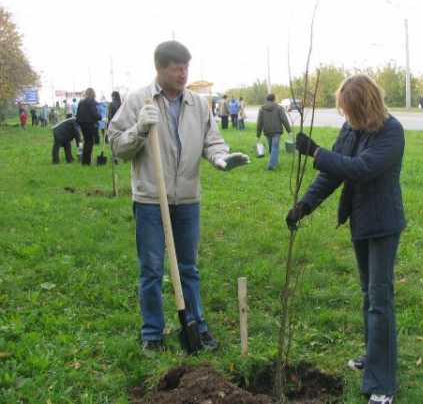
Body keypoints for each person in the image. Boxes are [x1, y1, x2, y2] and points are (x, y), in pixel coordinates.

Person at [107, 40, 249, 352]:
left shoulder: (198, 104)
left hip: (186, 200)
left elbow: (212, 141)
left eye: (186, 67)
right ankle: (153, 335)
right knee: (152, 270)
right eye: (176, 68)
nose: (183, 73)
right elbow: (117, 145)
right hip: (150, 200)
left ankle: (196, 326)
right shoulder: (138, 100)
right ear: (159, 69)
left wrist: (221, 158)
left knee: (188, 268)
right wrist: (141, 129)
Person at [286, 74, 406, 404]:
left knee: (380, 299)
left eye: (348, 110)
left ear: (364, 106)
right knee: (369, 295)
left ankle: (382, 383)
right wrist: (304, 205)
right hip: (361, 223)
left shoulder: (391, 132)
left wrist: (316, 152)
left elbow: (360, 168)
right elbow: (333, 173)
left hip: (383, 225)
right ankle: (374, 356)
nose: (345, 116)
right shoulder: (352, 128)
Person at [256, 93, 291, 170]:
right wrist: (289, 130)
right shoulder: (279, 108)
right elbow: (284, 119)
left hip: (267, 131)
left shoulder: (261, 109)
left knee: (272, 148)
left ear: (267, 99)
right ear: (274, 99)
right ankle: (271, 165)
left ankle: (274, 162)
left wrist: (258, 134)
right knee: (274, 147)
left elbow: (259, 122)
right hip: (277, 131)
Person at [76, 88, 101, 165]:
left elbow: (78, 114)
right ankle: (86, 162)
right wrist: (100, 117)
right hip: (89, 124)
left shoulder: (81, 102)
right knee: (89, 142)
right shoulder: (91, 102)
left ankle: (85, 161)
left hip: (82, 124)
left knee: (86, 142)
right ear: (93, 94)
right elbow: (94, 113)